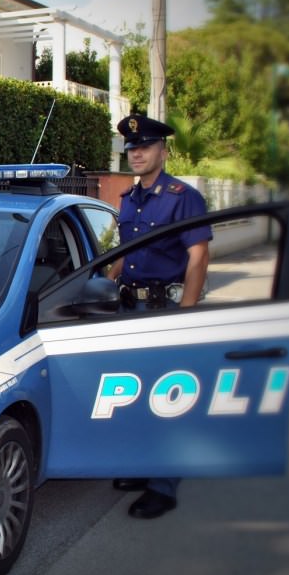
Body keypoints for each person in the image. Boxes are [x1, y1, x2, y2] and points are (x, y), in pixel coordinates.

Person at [107, 113, 212, 520]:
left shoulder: (182, 196)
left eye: (144, 147)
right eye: (131, 149)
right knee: (136, 394)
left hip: (165, 308)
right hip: (130, 308)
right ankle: (142, 466)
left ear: (162, 151)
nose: (136, 154)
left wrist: (186, 315)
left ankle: (163, 485)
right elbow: (124, 254)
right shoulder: (129, 200)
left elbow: (199, 256)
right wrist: (100, 284)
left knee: (167, 399)